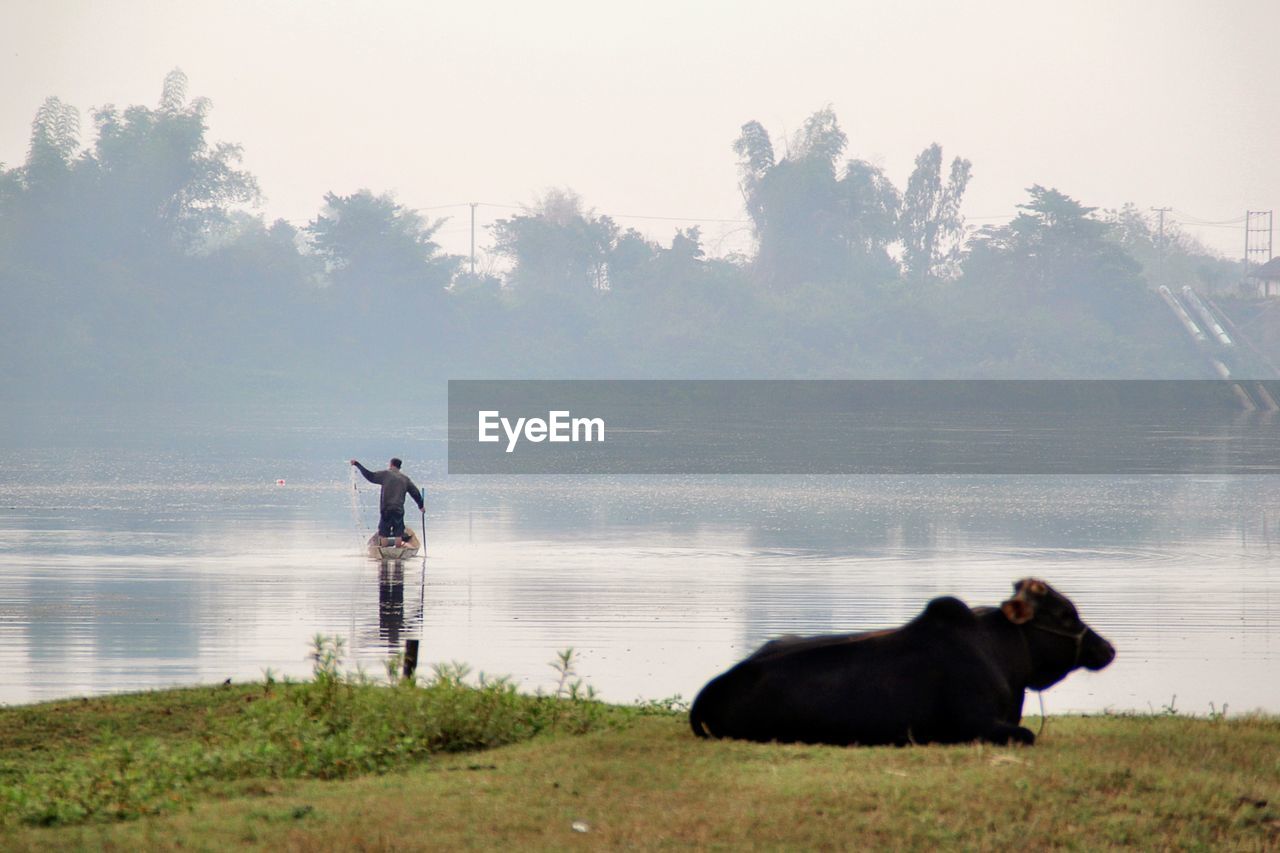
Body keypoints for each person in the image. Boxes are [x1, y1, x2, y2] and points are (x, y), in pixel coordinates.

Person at [350, 458, 425, 545]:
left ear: (391, 465)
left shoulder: (385, 474)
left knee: (384, 533)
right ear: (399, 467)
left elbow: (370, 476)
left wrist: (357, 464)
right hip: (398, 509)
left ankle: (384, 554)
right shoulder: (405, 479)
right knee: (398, 533)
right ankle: (398, 552)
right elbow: (415, 493)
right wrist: (421, 506)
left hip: (386, 508)